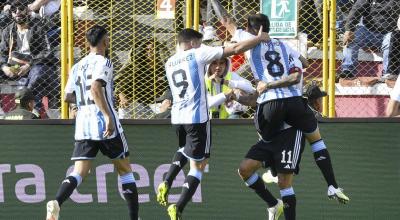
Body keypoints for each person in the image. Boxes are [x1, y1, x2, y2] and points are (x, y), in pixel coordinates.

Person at [211, 0, 350, 207]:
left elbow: (225, 20)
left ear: (250, 29)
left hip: (271, 103)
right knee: (317, 141)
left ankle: (272, 170)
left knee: (266, 140)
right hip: (295, 101)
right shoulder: (284, 44)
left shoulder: (247, 38)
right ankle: (332, 185)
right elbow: (304, 63)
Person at [157, 27, 269, 220]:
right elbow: (235, 50)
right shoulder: (197, 53)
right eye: (200, 43)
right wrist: (259, 38)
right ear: (192, 43)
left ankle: (167, 181)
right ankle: (178, 207)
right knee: (198, 167)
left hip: (177, 117)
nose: (202, 47)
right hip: (197, 118)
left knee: (184, 148)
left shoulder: (169, 62)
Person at [45, 25, 138, 220]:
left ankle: (57, 202)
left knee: (79, 172)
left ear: (87, 43)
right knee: (125, 170)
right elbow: (96, 88)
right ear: (105, 41)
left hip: (84, 125)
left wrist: (82, 104)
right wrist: (107, 115)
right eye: (108, 38)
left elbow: (67, 96)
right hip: (104, 124)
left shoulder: (77, 66)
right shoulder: (104, 62)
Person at [0, 0, 58, 111]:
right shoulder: (8, 31)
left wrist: (28, 66)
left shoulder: (38, 27)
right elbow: (2, 53)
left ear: (27, 10)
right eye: (13, 10)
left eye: (21, 8)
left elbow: (46, 52)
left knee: (37, 72)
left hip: (35, 64)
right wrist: (5, 67)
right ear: (11, 13)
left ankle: (30, 109)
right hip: (15, 66)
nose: (17, 12)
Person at [340, 0, 400, 79]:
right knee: (354, 35)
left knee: (391, 39)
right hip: (368, 31)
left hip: (388, 33)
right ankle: (348, 70)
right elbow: (356, 9)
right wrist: (349, 29)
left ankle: (387, 73)